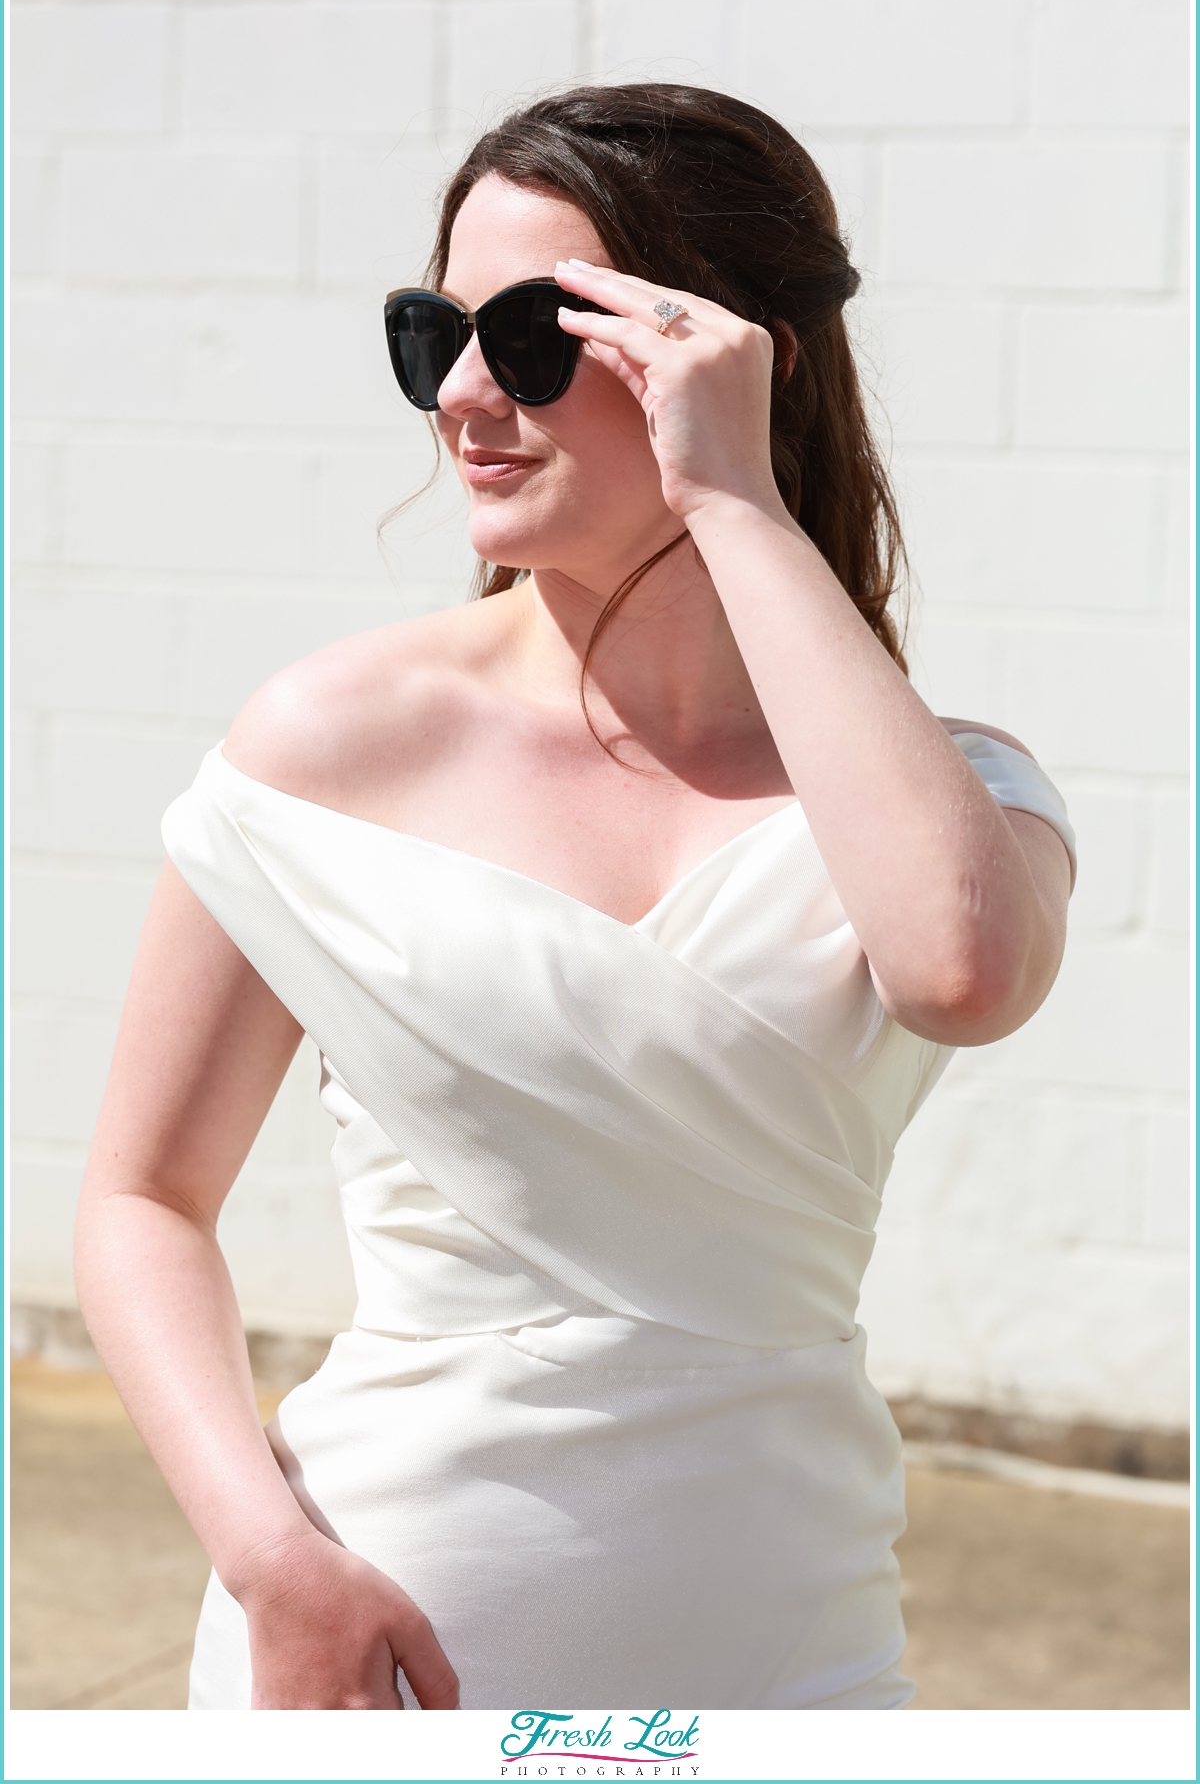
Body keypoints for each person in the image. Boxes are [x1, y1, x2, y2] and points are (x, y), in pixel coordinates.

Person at [74, 84, 1075, 1711]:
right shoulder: (330, 743)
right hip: (365, 1657)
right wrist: (275, 1564)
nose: (465, 392)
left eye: (535, 333)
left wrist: (734, 499)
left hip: (790, 1659)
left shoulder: (946, 791)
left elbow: (959, 968)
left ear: (739, 360)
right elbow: (139, 1200)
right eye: (434, 334)